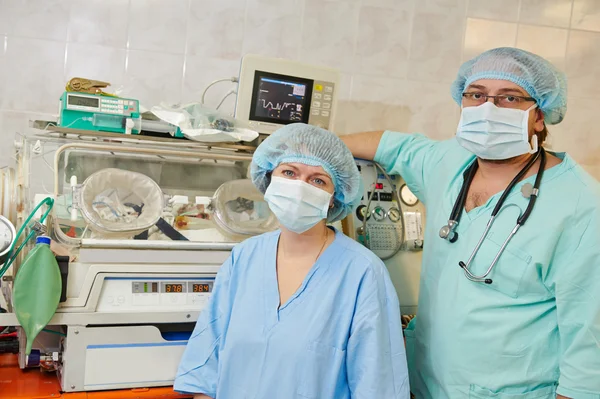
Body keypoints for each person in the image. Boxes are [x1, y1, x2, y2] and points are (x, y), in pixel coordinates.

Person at [341, 48, 600, 399]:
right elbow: (390, 146)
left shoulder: (582, 205)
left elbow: (589, 344)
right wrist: (309, 152)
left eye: (509, 97)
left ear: (539, 116)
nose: (487, 109)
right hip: (426, 383)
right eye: (476, 95)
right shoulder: (451, 160)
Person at [174, 123, 410, 399]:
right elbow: (206, 366)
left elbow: (377, 386)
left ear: (334, 198)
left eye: (318, 180)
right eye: (289, 173)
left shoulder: (363, 273)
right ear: (269, 178)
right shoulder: (244, 258)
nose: (300, 188)